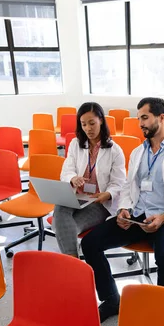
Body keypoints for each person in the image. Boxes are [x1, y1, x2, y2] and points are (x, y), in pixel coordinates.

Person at [81, 97, 164, 322]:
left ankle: (163, 312)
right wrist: (124, 210)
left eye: (145, 118)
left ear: (161, 117)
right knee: (89, 243)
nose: (140, 124)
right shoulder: (138, 152)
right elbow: (128, 186)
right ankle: (111, 299)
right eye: (139, 119)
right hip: (137, 216)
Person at [52, 102, 126, 257]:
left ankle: (72, 264)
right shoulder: (75, 144)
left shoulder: (115, 151)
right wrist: (73, 178)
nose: (88, 129)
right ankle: (75, 264)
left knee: (65, 227)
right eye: (83, 124)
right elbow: (67, 169)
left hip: (98, 201)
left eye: (92, 123)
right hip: (77, 196)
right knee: (60, 207)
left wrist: (107, 194)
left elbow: (118, 182)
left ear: (101, 121)